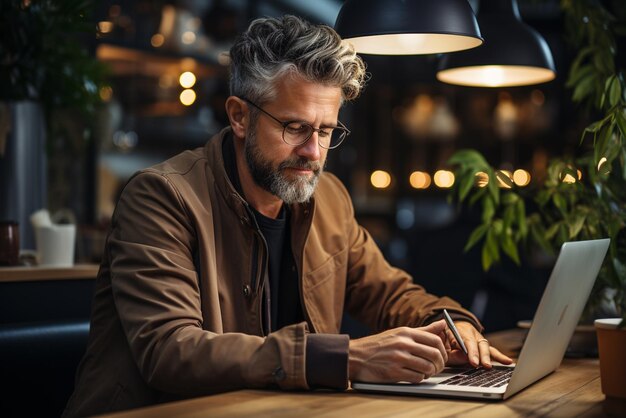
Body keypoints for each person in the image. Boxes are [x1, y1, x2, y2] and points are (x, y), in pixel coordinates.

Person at [63, 15, 511, 417]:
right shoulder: (160, 198)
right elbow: (171, 351)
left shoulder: (329, 198)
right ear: (240, 116)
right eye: (294, 127)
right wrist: (347, 358)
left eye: (326, 131)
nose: (313, 152)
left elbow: (390, 293)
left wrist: (454, 325)